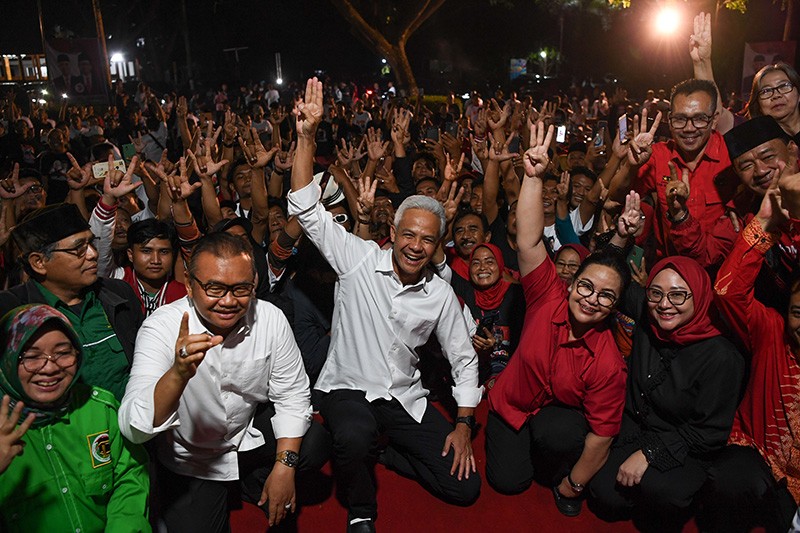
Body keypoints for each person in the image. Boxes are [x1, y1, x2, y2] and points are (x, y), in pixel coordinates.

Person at [288, 78, 481, 533]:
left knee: (464, 488)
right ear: (392, 233)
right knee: (353, 435)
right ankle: (361, 510)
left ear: (437, 245)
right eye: (408, 234)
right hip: (347, 390)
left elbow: (464, 359)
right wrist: (307, 136)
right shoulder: (356, 259)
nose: (415, 245)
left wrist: (464, 425)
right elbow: (306, 208)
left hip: (403, 398)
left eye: (427, 239)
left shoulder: (439, 294)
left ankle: (385, 453)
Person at [119, 232, 329, 532]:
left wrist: (285, 467)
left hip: (246, 434)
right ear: (189, 284)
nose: (228, 301)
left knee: (314, 442)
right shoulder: (161, 328)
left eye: (241, 288)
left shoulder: (270, 318)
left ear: (254, 283)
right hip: (194, 459)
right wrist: (178, 374)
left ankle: (252, 480)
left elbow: (293, 395)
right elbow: (133, 427)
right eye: (214, 288)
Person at [485, 122, 629, 518]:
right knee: (509, 482)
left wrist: (572, 486)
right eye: (586, 286)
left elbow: (602, 435)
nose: (592, 299)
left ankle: (552, 463)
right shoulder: (547, 295)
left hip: (554, 418)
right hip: (510, 405)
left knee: (561, 432)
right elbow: (529, 241)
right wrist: (533, 178)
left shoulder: (608, 363)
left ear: (614, 307)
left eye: (606, 296)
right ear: (571, 284)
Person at [589, 210, 744, 530]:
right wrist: (621, 236)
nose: (664, 304)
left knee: (662, 493)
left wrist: (648, 454)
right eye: (656, 293)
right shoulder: (649, 315)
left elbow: (708, 433)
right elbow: (607, 276)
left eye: (677, 295)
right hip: (636, 428)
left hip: (686, 444)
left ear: (699, 296)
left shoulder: (721, 356)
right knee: (603, 495)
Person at [0, 304, 150, 532]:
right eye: (31, 356)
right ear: (7, 358)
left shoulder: (99, 409)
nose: (49, 368)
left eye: (63, 353)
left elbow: (129, 479)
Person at [702, 188, 800, 532]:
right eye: (799, 312)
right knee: (729, 479)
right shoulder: (773, 331)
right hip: (759, 458)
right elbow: (728, 291)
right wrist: (764, 223)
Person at [0, 203, 143, 401]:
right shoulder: (11, 310)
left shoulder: (119, 293)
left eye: (91, 243)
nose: (93, 254)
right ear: (39, 262)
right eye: (78, 249)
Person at [623, 79, 739, 260]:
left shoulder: (733, 156)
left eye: (699, 119)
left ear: (714, 119)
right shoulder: (659, 155)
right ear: (670, 120)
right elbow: (616, 197)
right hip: (668, 269)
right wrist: (631, 165)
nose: (689, 128)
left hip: (720, 270)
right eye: (680, 119)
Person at [451, 242, 523, 388]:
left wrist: (495, 347)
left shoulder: (518, 295)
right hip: (471, 377)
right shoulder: (464, 292)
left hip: (512, 377)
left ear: (500, 265)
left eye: (489, 262)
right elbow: (439, 263)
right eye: (476, 263)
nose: (482, 267)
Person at [110, 219, 187, 317]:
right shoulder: (118, 282)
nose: (156, 260)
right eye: (146, 251)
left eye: (164, 252)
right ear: (130, 255)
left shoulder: (184, 295)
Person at [745, 62, 800, 144]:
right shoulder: (759, 144)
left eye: (783, 86)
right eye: (766, 91)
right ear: (758, 105)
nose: (776, 95)